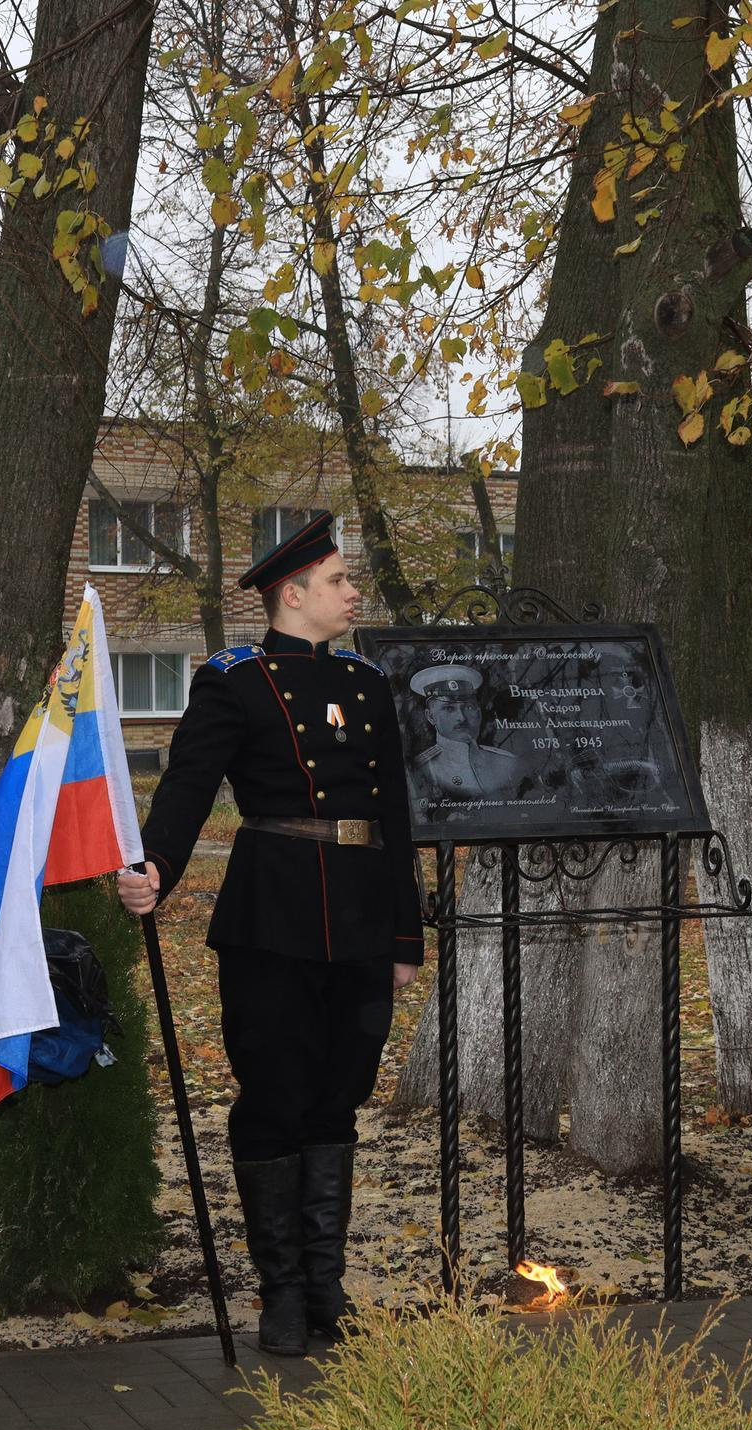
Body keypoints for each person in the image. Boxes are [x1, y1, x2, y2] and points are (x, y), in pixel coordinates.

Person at [115, 513, 424, 1357]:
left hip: (361, 914)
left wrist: (406, 934)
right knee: (275, 1097)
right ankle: (281, 1291)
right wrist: (155, 864)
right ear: (293, 594)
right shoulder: (234, 679)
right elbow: (188, 783)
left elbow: (393, 810)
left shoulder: (366, 681)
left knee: (338, 1098)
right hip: (274, 916)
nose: (354, 591)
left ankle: (326, 1286)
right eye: (338, 581)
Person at [408, 662, 524, 799]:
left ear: (479, 713)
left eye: (468, 707)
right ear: (431, 717)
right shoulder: (421, 768)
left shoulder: (507, 762)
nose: (461, 718)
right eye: (449, 709)